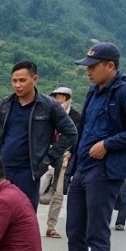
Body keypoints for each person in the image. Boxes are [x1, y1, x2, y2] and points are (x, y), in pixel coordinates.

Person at [44, 42, 126, 251]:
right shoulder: (94, 91)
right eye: (86, 67)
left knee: (96, 232)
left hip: (107, 170)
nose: (88, 72)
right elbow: (85, 132)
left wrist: (108, 145)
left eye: (93, 67)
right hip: (84, 168)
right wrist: (73, 169)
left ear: (110, 66)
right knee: (75, 229)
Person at [0, 60, 78, 234]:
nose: (17, 85)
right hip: (0, 172)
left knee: (22, 224)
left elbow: (71, 133)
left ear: (34, 79)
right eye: (14, 81)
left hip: (29, 173)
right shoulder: (5, 104)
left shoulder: (49, 106)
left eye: (22, 80)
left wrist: (48, 157)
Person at [44, 85, 82, 239]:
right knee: (36, 190)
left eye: (60, 96)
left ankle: (51, 226)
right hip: (45, 155)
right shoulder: (46, 113)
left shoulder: (75, 117)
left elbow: (74, 137)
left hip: (64, 158)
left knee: (58, 192)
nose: (57, 99)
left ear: (67, 99)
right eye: (55, 96)